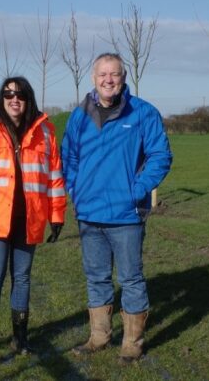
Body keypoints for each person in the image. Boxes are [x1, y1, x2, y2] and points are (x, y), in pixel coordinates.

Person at [61, 53, 173, 364]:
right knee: (96, 277)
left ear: (124, 78)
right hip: (88, 214)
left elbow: (160, 157)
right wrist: (74, 188)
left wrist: (134, 192)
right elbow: (68, 156)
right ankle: (99, 336)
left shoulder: (143, 113)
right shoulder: (79, 115)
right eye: (102, 74)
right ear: (93, 78)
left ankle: (132, 343)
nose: (108, 80)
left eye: (115, 74)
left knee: (130, 279)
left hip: (125, 216)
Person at [0, 76, 66, 366]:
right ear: (1, 99)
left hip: (28, 221)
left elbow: (55, 177)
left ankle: (21, 340)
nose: (14, 99)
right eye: (8, 94)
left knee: (23, 279)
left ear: (28, 98)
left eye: (20, 95)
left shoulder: (45, 131)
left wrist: (56, 215)